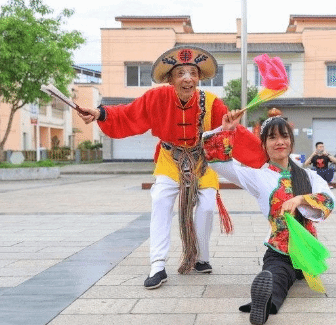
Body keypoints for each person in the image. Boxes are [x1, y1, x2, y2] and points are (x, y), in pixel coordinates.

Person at [78, 46, 230, 289]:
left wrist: (229, 128)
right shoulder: (156, 98)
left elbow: (228, 137)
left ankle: (201, 257)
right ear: (170, 79)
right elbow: (128, 114)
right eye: (180, 73)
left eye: (192, 72)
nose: (187, 78)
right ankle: (157, 265)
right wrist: (98, 112)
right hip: (170, 161)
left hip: (202, 162)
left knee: (208, 206)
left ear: (199, 77)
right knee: (160, 200)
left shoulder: (213, 103)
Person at [202, 111, 335, 325]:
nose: (279, 142)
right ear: (263, 145)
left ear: (291, 142)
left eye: (284, 136)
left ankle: (271, 294)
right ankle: (262, 305)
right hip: (279, 249)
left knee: (289, 273)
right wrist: (225, 131)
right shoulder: (258, 176)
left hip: (306, 250)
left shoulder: (309, 176)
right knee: (276, 274)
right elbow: (218, 164)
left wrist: (300, 199)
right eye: (272, 138)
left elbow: (328, 201)